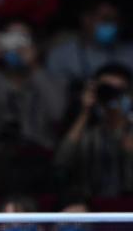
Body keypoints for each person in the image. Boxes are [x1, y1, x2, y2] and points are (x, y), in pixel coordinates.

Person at [0, 21, 66, 151]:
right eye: (10, 38)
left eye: (22, 39)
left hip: (40, 151)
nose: (16, 46)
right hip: (0, 152)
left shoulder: (50, 78)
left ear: (35, 46)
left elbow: (58, 113)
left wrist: (34, 67)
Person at [54, 63, 133, 197]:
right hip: (88, 201)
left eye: (119, 90)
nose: (112, 95)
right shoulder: (85, 129)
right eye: (106, 89)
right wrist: (85, 112)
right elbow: (61, 162)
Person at [46, 0, 133, 94]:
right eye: (106, 19)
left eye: (115, 20)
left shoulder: (129, 54)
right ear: (86, 19)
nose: (112, 25)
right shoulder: (61, 56)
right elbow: (54, 97)